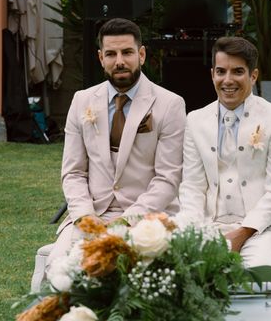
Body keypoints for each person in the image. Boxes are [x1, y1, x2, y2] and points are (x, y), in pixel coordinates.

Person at [47, 18, 186, 267]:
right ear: (101, 58)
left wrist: (125, 221)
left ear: (141, 55)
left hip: (148, 217)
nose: (119, 61)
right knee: (59, 268)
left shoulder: (170, 104)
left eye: (127, 52)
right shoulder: (82, 101)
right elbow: (73, 173)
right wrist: (86, 217)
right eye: (111, 54)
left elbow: (168, 179)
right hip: (92, 216)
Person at [178, 36, 271, 268]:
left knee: (254, 277)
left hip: (264, 229)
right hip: (210, 225)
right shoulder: (195, 120)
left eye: (237, 72)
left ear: (253, 76)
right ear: (212, 74)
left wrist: (243, 232)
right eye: (221, 71)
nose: (228, 80)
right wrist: (191, 231)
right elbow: (192, 186)